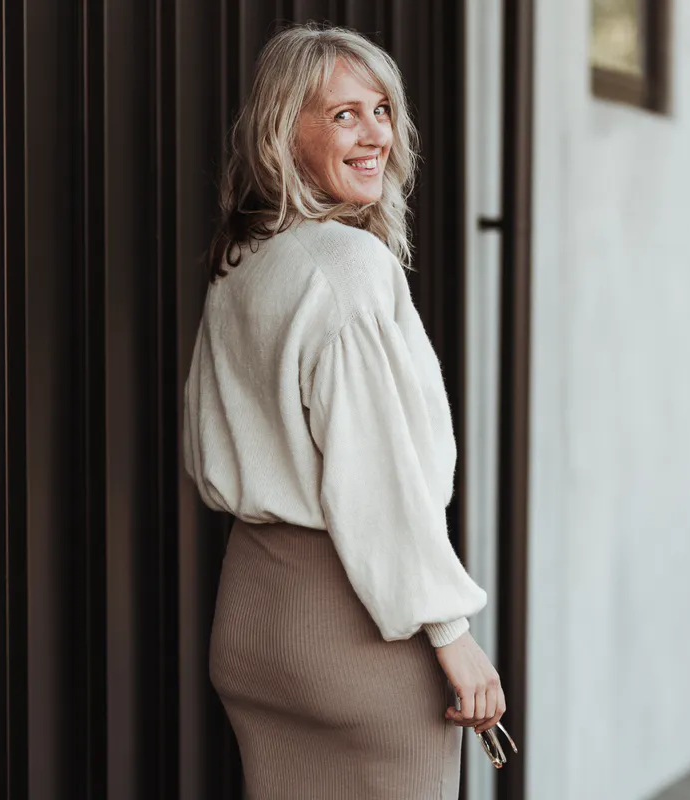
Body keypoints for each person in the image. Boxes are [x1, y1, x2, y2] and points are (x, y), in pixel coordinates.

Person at [182, 21, 506, 799]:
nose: (376, 136)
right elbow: (376, 477)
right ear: (282, 132)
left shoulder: (243, 257)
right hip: (351, 631)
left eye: (381, 110)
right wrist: (452, 634)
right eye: (343, 114)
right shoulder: (347, 266)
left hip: (253, 619)